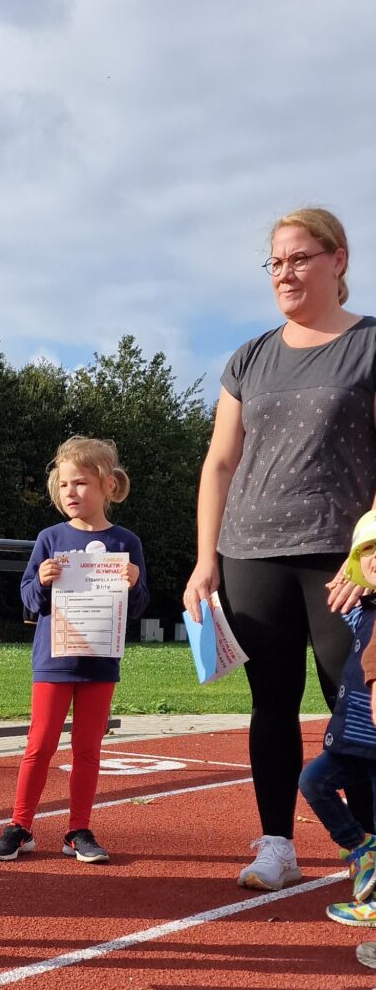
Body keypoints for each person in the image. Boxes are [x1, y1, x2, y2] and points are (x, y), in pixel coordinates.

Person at [184, 207, 376, 892]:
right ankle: (277, 844)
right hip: (250, 553)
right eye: (275, 261)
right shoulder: (250, 357)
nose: (285, 272)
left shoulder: (370, 346)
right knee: (272, 703)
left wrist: (371, 551)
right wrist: (206, 558)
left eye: (299, 257)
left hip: (340, 560)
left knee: (354, 705)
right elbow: (219, 464)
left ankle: (368, 853)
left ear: (338, 261)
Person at [0, 436, 148, 863]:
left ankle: (78, 829)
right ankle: (20, 826)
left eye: (81, 483)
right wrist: (40, 579)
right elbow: (28, 599)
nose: (71, 493)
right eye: (63, 485)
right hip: (54, 660)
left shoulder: (126, 542)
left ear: (108, 487)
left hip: (100, 661)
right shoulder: (50, 538)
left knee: (88, 749)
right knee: (39, 744)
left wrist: (132, 582)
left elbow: (139, 606)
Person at [301, 511, 376, 929]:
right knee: (313, 781)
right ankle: (360, 848)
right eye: (368, 550)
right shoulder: (363, 608)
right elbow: (337, 591)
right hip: (351, 738)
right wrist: (345, 574)